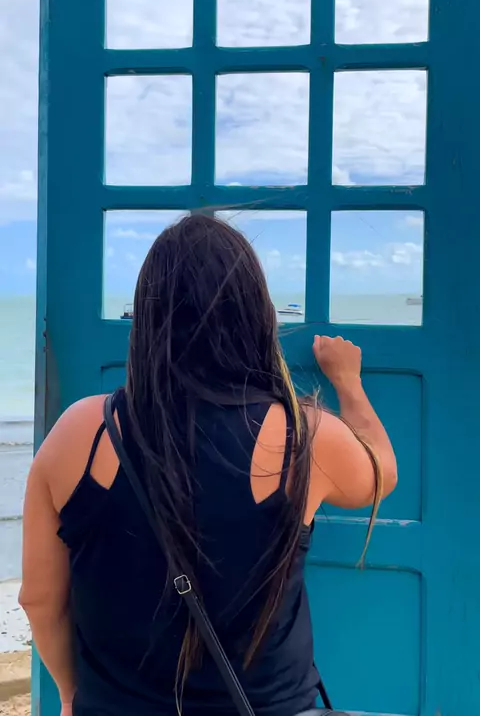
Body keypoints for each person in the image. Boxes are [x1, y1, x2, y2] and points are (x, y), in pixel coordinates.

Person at [20, 214, 397, 716]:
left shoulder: (79, 433)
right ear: (256, 315)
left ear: (146, 318)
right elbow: (380, 474)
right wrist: (348, 383)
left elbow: (39, 598)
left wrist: (71, 694)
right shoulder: (302, 434)